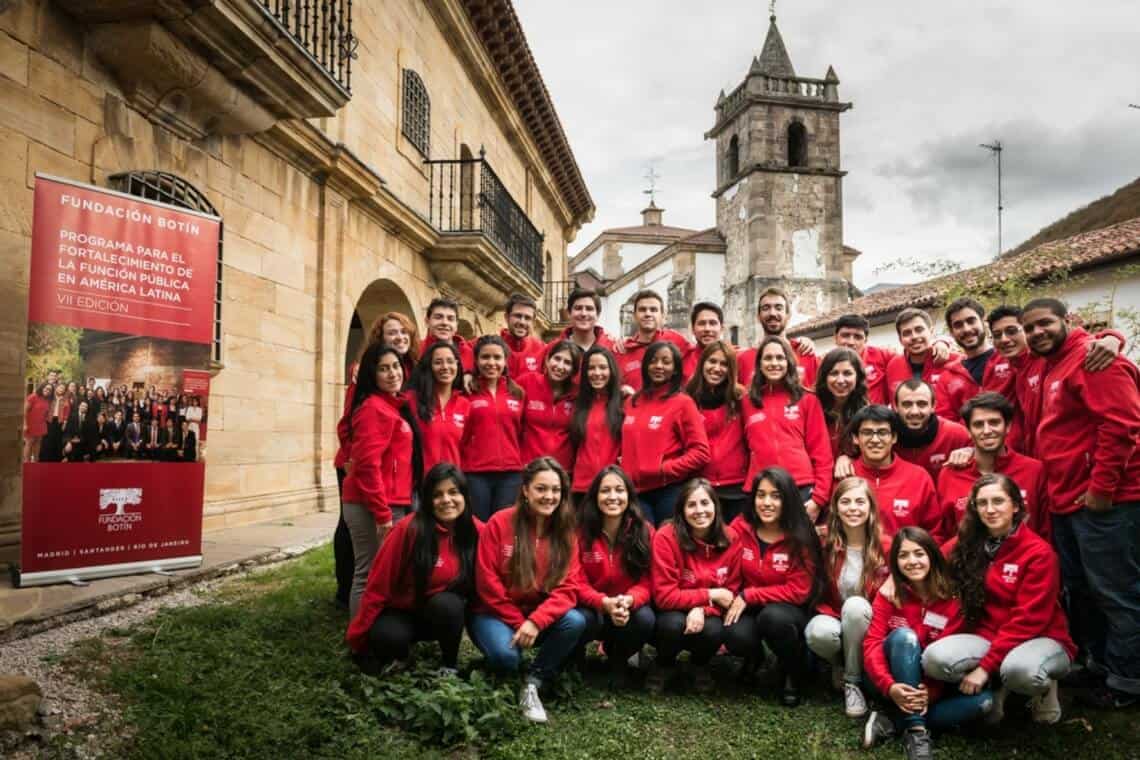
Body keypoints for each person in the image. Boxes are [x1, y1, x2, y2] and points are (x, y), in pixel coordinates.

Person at [1021, 297, 1140, 708]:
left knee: (1117, 591)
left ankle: (1128, 680)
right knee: (1083, 589)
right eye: (1030, 328)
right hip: (1068, 500)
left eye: (1045, 324)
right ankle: (1101, 664)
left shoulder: (1094, 360)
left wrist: (1102, 489)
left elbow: (1123, 425)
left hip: (1105, 502)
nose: (1037, 332)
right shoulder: (1050, 364)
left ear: (1067, 321)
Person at [923, 474, 1076, 724]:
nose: (990, 509)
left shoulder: (1039, 553)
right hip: (989, 635)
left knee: (1021, 672)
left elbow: (1028, 620)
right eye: (982, 503)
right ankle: (997, 685)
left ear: (1015, 505)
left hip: (1038, 636)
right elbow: (931, 561)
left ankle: (1045, 687)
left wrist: (983, 668)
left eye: (998, 501)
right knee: (934, 660)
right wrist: (893, 578)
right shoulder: (969, 541)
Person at [470, 457, 585, 724]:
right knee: (506, 657)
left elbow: (568, 588)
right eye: (541, 489)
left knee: (575, 621)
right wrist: (520, 622)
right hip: (493, 613)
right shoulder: (499, 523)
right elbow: (487, 583)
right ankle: (500, 666)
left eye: (556, 490)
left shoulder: (566, 531)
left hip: (534, 613)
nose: (549, 496)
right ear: (525, 490)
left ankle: (533, 681)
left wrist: (536, 621)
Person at [862, 527, 989, 760]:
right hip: (886, 679)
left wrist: (930, 692)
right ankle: (916, 732)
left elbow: (944, 653)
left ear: (932, 555)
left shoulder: (952, 598)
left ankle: (890, 721)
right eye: (903, 555)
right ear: (895, 563)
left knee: (983, 703)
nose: (912, 561)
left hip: (927, 685)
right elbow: (872, 644)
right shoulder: (889, 594)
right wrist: (889, 686)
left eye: (919, 553)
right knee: (904, 636)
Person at [346, 463, 481, 675]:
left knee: (449, 604)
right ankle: (402, 657)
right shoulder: (407, 529)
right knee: (386, 638)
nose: (446, 500)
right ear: (427, 500)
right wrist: (357, 638)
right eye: (437, 495)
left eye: (453, 492)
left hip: (441, 614)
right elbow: (378, 586)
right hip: (402, 612)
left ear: (465, 496)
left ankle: (449, 666)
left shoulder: (477, 531)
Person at [724, 467, 826, 707]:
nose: (766, 502)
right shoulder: (741, 526)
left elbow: (799, 591)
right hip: (751, 606)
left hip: (790, 611)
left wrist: (749, 595)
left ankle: (793, 671)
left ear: (788, 499)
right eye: (761, 495)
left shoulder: (801, 535)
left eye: (775, 496)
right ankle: (755, 658)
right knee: (731, 631)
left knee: (773, 618)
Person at [340, 344, 420, 617]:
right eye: (383, 368)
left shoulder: (392, 406)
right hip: (371, 505)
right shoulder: (373, 408)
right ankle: (361, 641)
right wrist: (382, 514)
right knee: (368, 574)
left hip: (388, 502)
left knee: (383, 572)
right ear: (371, 374)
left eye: (395, 366)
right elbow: (366, 466)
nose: (392, 373)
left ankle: (377, 635)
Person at [988, 304, 1123, 458]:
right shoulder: (1009, 367)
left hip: (1081, 465)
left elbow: (1078, 343)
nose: (1004, 339)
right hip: (1036, 462)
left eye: (1012, 331)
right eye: (997, 335)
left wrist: (1112, 337)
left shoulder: (1047, 358)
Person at [805, 477, 889, 717]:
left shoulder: (887, 546)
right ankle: (840, 663)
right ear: (835, 507)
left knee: (855, 606)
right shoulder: (824, 543)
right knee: (816, 633)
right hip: (833, 615)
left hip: (871, 624)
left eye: (860, 502)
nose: (853, 508)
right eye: (846, 501)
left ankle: (852, 682)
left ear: (871, 507)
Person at [649, 478, 740, 694]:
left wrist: (702, 607)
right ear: (681, 510)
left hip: (707, 611)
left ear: (716, 507)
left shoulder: (731, 538)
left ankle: (700, 665)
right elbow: (664, 596)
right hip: (670, 610)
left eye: (705, 503)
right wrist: (710, 594)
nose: (699, 511)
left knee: (714, 629)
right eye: (691, 505)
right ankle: (663, 664)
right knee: (672, 625)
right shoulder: (666, 537)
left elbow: (730, 595)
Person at [574, 466, 655, 687]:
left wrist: (629, 600)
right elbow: (574, 580)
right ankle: (575, 659)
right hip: (591, 606)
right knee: (578, 618)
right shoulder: (579, 531)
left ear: (629, 496)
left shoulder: (644, 530)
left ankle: (618, 659)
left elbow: (648, 579)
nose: (612, 497)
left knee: (645, 619)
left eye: (619, 490)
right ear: (594, 496)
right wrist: (602, 603)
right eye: (605, 490)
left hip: (625, 606)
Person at [741, 336, 833, 524]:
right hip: (761, 491)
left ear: (789, 362)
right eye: (768, 358)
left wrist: (818, 499)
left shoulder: (807, 400)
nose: (774, 363)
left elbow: (822, 452)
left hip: (800, 488)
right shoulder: (746, 402)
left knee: (800, 551)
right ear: (759, 364)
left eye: (780, 358)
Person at [935, 392, 1050, 542]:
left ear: (1008, 426)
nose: (987, 431)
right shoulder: (950, 474)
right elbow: (943, 533)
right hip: (968, 563)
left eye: (994, 422)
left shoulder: (1034, 471)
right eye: (978, 424)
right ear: (969, 431)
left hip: (1023, 563)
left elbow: (1045, 533)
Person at [620, 342, 711, 525]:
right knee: (641, 546)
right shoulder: (631, 402)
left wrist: (665, 469)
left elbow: (701, 453)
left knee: (667, 546)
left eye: (666, 361)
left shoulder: (683, 403)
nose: (659, 366)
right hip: (634, 491)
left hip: (668, 491)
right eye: (653, 361)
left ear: (675, 369)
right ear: (645, 365)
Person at [934, 298, 1024, 450]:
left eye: (971, 321)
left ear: (983, 322)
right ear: (951, 332)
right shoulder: (947, 377)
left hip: (1018, 454)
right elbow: (946, 425)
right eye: (958, 325)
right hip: (975, 458)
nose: (966, 329)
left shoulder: (1011, 359)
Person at [848, 405, 940, 537]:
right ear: (855, 438)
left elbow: (934, 532)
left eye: (882, 432)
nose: (875, 440)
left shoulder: (918, 477)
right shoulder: (845, 474)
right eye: (867, 433)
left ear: (894, 437)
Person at [461, 335, 525, 521]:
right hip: (475, 474)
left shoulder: (518, 394)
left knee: (504, 527)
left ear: (505, 361)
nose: (491, 362)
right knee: (478, 526)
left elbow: (522, 433)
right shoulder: (466, 393)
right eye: (485, 357)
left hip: (511, 475)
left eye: (497, 357)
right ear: (476, 361)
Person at [685, 340, 749, 523]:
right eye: (712, 361)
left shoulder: (740, 398)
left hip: (736, 487)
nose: (717, 368)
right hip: (700, 487)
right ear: (702, 363)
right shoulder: (687, 398)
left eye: (724, 364)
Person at [517, 341, 580, 473]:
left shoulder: (578, 394)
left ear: (573, 370)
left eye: (567, 363)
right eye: (557, 359)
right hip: (529, 467)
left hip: (563, 471)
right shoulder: (526, 382)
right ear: (547, 360)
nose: (560, 366)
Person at [568, 347, 623, 498]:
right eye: (591, 368)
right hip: (581, 487)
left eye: (603, 367)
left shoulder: (625, 403)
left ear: (611, 370)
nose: (597, 373)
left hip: (613, 487)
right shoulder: (577, 404)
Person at [737, 287, 819, 387]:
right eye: (766, 308)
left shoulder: (806, 353)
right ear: (758, 317)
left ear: (788, 315)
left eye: (779, 308)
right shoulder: (743, 360)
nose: (772, 313)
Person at [891, 379, 971, 482]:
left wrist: (970, 451)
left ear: (933, 406)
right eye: (907, 404)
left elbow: (983, 454)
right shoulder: (885, 435)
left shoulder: (955, 434)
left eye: (922, 404)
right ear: (896, 407)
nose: (914, 411)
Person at [409, 341, 470, 474]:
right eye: (438, 362)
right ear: (429, 367)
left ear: (457, 365)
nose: (445, 367)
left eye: (450, 361)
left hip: (452, 485)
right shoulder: (411, 400)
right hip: (419, 485)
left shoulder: (465, 404)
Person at [616, 289, 690, 392]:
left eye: (653, 310)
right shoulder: (622, 350)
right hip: (634, 406)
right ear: (634, 316)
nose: (648, 314)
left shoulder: (677, 341)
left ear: (663, 315)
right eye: (642, 309)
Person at [885, 308, 960, 403]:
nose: (914, 337)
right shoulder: (893, 366)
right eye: (907, 333)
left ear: (931, 331)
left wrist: (944, 341)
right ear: (900, 339)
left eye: (919, 330)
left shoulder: (954, 361)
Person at [815, 347, 869, 459]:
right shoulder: (811, 408)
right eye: (834, 373)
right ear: (824, 377)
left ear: (858, 377)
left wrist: (849, 458)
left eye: (847, 373)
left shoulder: (866, 413)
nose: (840, 380)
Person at [419, 297, 474, 374]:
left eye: (450, 319)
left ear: (456, 325)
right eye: (438, 317)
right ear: (427, 321)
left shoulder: (471, 354)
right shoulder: (416, 351)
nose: (444, 323)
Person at [552, 288, 615, 353]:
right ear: (569, 313)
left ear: (598, 315)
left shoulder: (613, 349)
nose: (583, 313)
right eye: (578, 308)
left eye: (589, 309)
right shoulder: (553, 349)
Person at [500, 293, 547, 377]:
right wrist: (468, 372)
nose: (522, 322)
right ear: (506, 317)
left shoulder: (542, 349)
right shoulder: (491, 344)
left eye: (527, 318)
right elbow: (468, 349)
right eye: (518, 316)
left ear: (533, 322)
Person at [682, 302, 729, 379]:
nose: (707, 328)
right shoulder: (683, 359)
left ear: (722, 329)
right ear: (693, 329)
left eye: (713, 323)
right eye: (701, 323)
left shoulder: (735, 359)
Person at [40, 383, 69, 462]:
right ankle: (44, 459)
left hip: (59, 422)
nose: (61, 389)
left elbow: (66, 412)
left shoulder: (65, 399)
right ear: (56, 388)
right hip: (49, 420)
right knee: (47, 440)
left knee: (57, 440)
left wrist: (65, 423)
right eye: (60, 387)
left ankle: (55, 460)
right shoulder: (51, 397)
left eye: (63, 388)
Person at [23, 383, 51, 462]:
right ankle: (26, 463)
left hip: (41, 425)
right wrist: (25, 424)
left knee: (38, 445)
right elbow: (24, 411)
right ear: (42, 387)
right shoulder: (33, 396)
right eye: (46, 388)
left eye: (49, 390)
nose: (47, 391)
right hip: (31, 424)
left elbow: (46, 413)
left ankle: (36, 462)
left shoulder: (47, 400)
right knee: (29, 444)